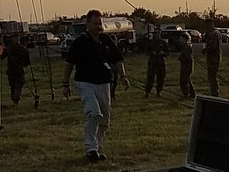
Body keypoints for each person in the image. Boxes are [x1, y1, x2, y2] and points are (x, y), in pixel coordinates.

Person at [61, 9, 129, 162]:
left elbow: (118, 59)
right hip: (85, 83)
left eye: (100, 24)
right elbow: (69, 64)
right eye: (95, 24)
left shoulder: (106, 40)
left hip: (104, 83)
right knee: (93, 113)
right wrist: (65, 84)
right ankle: (90, 148)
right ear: (87, 24)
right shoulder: (79, 42)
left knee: (104, 118)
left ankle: (97, 146)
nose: (98, 27)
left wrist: (123, 76)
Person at [1, 36, 32, 106]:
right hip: (20, 70)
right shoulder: (23, 49)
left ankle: (14, 99)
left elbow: (1, 57)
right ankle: (16, 100)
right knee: (18, 85)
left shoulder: (8, 49)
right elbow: (28, 62)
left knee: (13, 85)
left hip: (10, 71)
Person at [144, 30, 167, 98]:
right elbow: (146, 51)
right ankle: (147, 93)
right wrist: (152, 53)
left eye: (158, 33)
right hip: (152, 62)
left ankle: (158, 92)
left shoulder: (163, 42)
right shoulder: (150, 42)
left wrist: (163, 53)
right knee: (150, 78)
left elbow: (168, 52)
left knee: (161, 79)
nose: (157, 35)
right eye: (156, 33)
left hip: (161, 63)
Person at [202, 25, 222, 97]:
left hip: (214, 58)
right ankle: (213, 92)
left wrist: (205, 50)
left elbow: (213, 46)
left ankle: (215, 93)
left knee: (213, 76)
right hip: (212, 58)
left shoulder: (214, 34)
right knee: (211, 76)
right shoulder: (211, 34)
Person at [178, 34, 195, 99]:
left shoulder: (186, 47)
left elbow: (187, 58)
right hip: (185, 67)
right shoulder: (185, 47)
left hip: (186, 67)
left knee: (183, 81)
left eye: (181, 39)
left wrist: (180, 58)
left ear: (185, 39)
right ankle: (192, 93)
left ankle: (186, 94)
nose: (180, 40)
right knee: (187, 80)